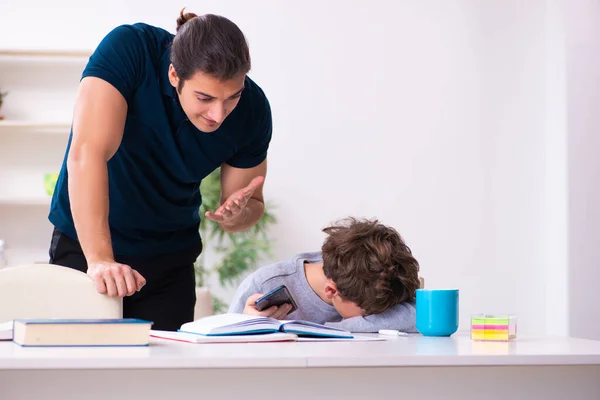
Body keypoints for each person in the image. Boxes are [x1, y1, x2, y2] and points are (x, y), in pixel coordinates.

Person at [47, 9, 273, 331]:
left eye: (232, 97)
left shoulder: (253, 110)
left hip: (169, 262)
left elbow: (250, 206)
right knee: (75, 369)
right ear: (173, 75)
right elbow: (87, 153)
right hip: (87, 245)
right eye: (205, 97)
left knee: (161, 377)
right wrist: (100, 260)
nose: (218, 114)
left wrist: (237, 215)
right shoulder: (130, 48)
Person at [228, 218, 421, 332]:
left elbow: (420, 315)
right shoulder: (262, 285)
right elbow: (220, 352)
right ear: (331, 290)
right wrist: (246, 326)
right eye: (368, 314)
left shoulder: (375, 279)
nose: (372, 318)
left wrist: (332, 329)